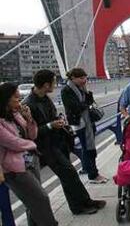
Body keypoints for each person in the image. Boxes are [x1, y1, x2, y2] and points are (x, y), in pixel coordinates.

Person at [24, 70, 106, 215]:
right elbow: (30, 133)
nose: (55, 85)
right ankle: (82, 204)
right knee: (70, 174)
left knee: (68, 176)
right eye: (54, 82)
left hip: (59, 141)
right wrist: (51, 125)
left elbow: (56, 115)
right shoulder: (29, 104)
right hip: (47, 147)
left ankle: (81, 204)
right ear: (46, 84)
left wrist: (59, 120)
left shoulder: (45, 98)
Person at [0, 83, 58, 226]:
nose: (19, 102)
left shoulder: (16, 115)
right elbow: (13, 142)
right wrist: (32, 145)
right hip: (14, 169)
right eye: (16, 98)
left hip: (31, 160)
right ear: (6, 99)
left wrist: (29, 119)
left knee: (32, 203)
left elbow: (32, 135)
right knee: (41, 199)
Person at [61, 68, 108, 184]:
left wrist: (87, 92)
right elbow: (75, 107)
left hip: (88, 122)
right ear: (73, 78)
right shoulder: (67, 90)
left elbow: (90, 102)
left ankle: (92, 171)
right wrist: (85, 104)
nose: (84, 80)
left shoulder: (80, 88)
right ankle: (93, 175)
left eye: (85, 78)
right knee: (87, 149)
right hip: (80, 124)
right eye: (81, 78)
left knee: (89, 148)